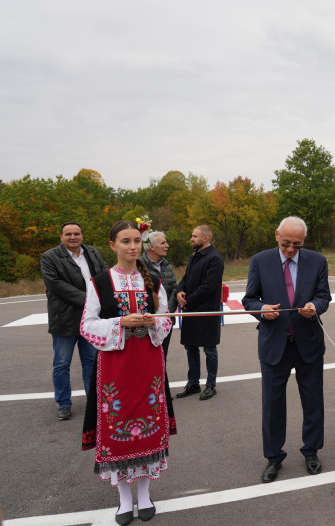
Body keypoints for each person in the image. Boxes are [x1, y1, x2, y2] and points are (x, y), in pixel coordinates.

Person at [80, 220, 175, 525]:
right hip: (115, 368)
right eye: (125, 241)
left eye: (136, 241)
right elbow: (87, 325)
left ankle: (144, 494)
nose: (132, 247)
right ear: (113, 245)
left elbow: (166, 319)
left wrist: (152, 322)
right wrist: (121, 323)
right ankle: (123, 498)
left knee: (149, 429)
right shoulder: (99, 282)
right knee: (117, 428)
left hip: (149, 365)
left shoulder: (153, 281)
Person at [242, 216, 331, 483]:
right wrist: (262, 310)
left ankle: (311, 451)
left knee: (313, 400)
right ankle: (273, 457)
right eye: (286, 244)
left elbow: (323, 296)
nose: (291, 249)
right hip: (274, 344)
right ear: (276, 235)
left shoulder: (318, 261)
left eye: (297, 245)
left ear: (304, 241)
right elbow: (249, 299)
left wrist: (315, 306)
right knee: (272, 404)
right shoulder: (260, 261)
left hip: (308, 343)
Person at [40, 222, 107, 421]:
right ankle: (63, 403)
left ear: (82, 235)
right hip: (64, 319)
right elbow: (55, 285)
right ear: (61, 236)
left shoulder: (93, 253)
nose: (73, 237)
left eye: (76, 233)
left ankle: (93, 401)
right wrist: (90, 300)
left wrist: (103, 299)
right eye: (68, 234)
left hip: (91, 319)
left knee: (91, 362)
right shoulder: (50, 257)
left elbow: (103, 277)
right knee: (62, 364)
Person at [175, 225, 224, 401]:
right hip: (191, 311)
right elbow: (186, 278)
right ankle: (193, 383)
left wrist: (188, 300)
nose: (191, 239)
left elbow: (208, 287)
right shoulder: (194, 256)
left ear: (206, 238)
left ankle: (211, 385)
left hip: (206, 311)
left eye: (195, 236)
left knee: (209, 349)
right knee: (190, 347)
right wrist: (179, 291)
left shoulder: (215, 258)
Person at [140, 230, 178, 360]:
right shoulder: (138, 265)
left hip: (166, 320)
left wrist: (167, 312)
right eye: (163, 243)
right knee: (146, 358)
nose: (167, 245)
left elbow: (174, 289)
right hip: (146, 322)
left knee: (162, 357)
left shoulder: (166, 265)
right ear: (151, 246)